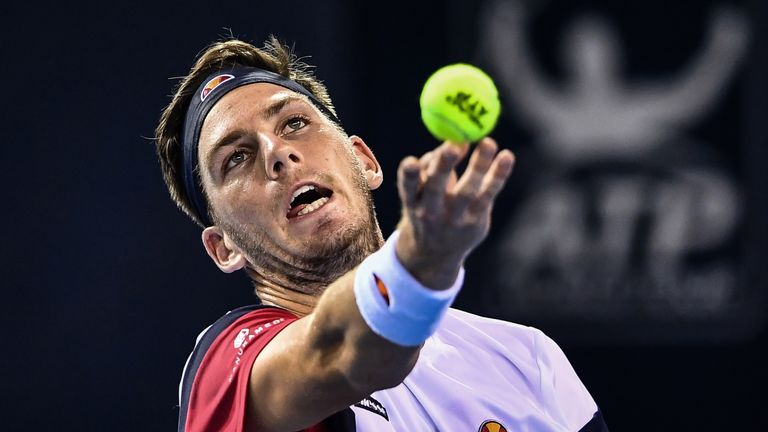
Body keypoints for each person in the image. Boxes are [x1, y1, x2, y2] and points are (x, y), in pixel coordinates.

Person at [155, 36, 608, 432]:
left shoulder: (526, 358)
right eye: (236, 158)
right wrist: (417, 264)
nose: (278, 154)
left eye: (294, 123)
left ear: (364, 161)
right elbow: (347, 352)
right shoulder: (227, 369)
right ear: (224, 248)